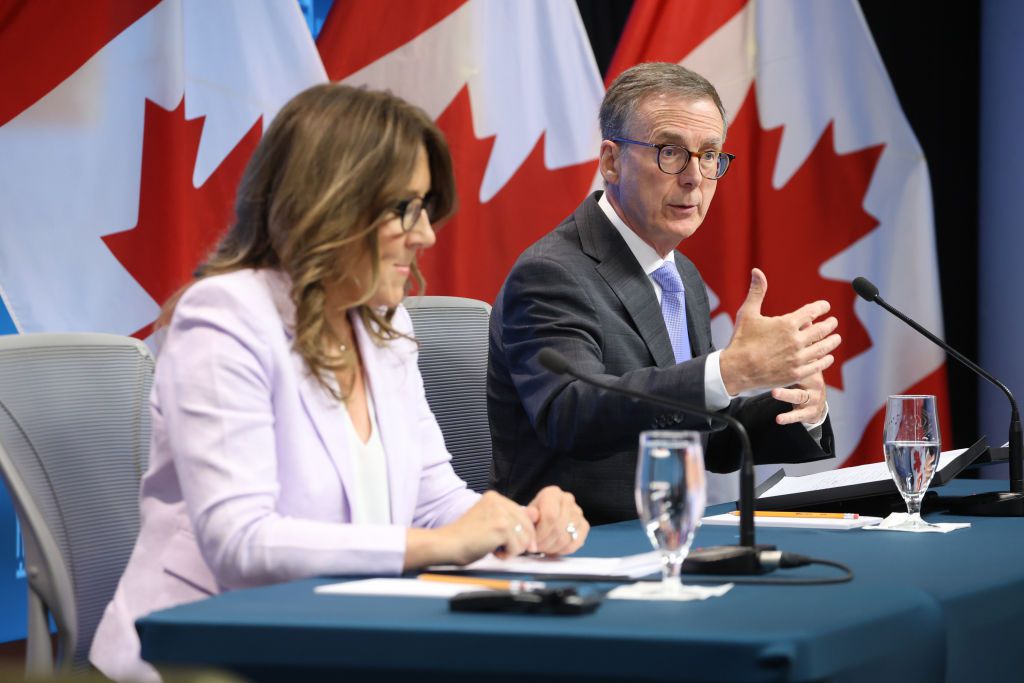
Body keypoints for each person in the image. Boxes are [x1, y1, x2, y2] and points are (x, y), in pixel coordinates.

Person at [90, 84, 588, 682]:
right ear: (333, 202)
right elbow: (240, 544)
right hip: (207, 654)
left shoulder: (382, 320)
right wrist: (435, 546)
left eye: (426, 207)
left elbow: (434, 498)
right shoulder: (224, 315)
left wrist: (518, 522)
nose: (427, 234)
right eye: (406, 207)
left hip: (344, 637)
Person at [488, 62, 840, 525]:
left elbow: (702, 432)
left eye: (710, 154)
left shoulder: (680, 276)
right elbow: (570, 413)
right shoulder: (551, 272)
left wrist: (799, 407)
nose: (695, 176)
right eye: (671, 152)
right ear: (611, 161)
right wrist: (726, 372)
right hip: (581, 546)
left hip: (673, 535)